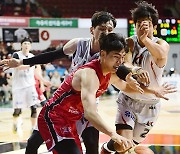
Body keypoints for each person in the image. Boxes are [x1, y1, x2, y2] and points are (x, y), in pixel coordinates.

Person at [101, 1, 172, 153]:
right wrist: (137, 69)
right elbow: (125, 62)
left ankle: (108, 147)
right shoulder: (129, 42)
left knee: (127, 145)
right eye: (139, 23)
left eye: (146, 24)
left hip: (150, 105)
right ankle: (110, 147)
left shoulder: (161, 44)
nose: (142, 27)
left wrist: (145, 39)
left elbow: (161, 55)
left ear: (154, 26)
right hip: (129, 98)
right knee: (124, 145)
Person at [10, 37, 49, 137]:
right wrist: (30, 64)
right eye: (25, 43)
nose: (26, 45)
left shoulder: (32, 56)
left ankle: (33, 129)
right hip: (19, 87)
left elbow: (36, 71)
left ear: (30, 46)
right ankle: (15, 123)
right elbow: (17, 66)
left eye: (28, 44)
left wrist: (42, 82)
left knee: (34, 107)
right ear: (21, 45)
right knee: (17, 110)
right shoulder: (16, 55)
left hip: (30, 86)